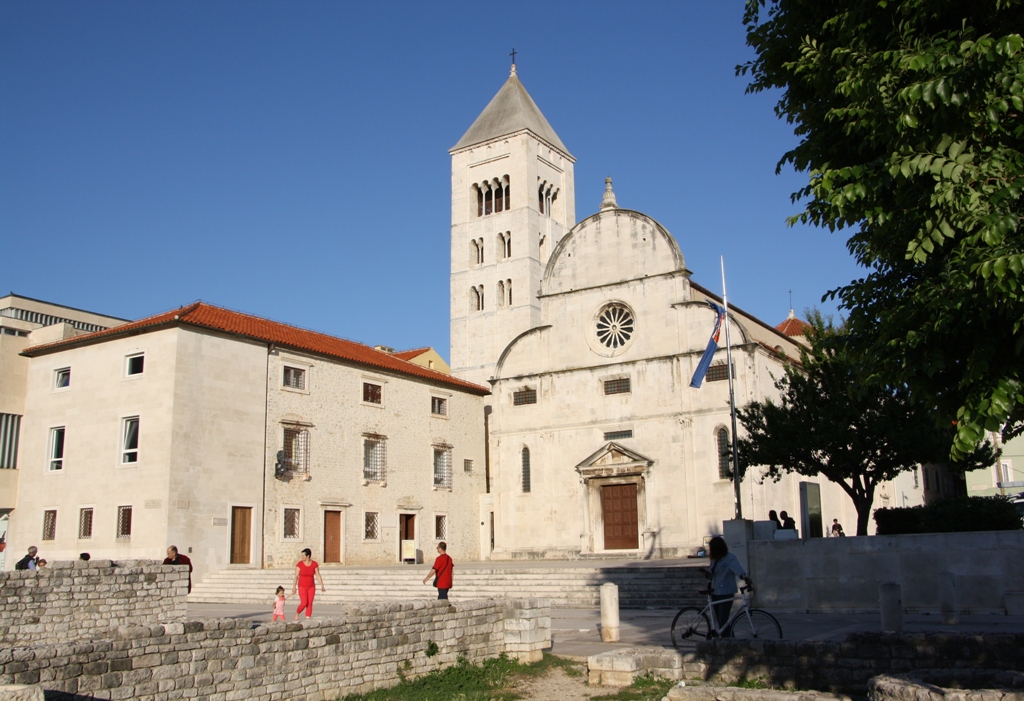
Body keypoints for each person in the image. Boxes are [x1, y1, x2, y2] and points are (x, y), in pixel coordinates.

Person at [698, 536, 751, 633]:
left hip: (726, 592)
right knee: (721, 622)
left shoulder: (729, 558)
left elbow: (737, 569)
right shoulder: (714, 560)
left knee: (723, 621)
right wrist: (706, 574)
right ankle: (728, 639)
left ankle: (728, 641)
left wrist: (744, 577)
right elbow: (713, 576)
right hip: (715, 591)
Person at [292, 548, 325, 620]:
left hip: (311, 587)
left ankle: (308, 618)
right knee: (304, 603)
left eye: (303, 555)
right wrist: (294, 587)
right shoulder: (299, 564)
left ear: (308, 556)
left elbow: (318, 575)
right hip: (302, 586)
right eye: (302, 555)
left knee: (309, 603)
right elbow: (296, 576)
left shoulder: (314, 564)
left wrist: (322, 585)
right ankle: (297, 613)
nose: (302, 557)